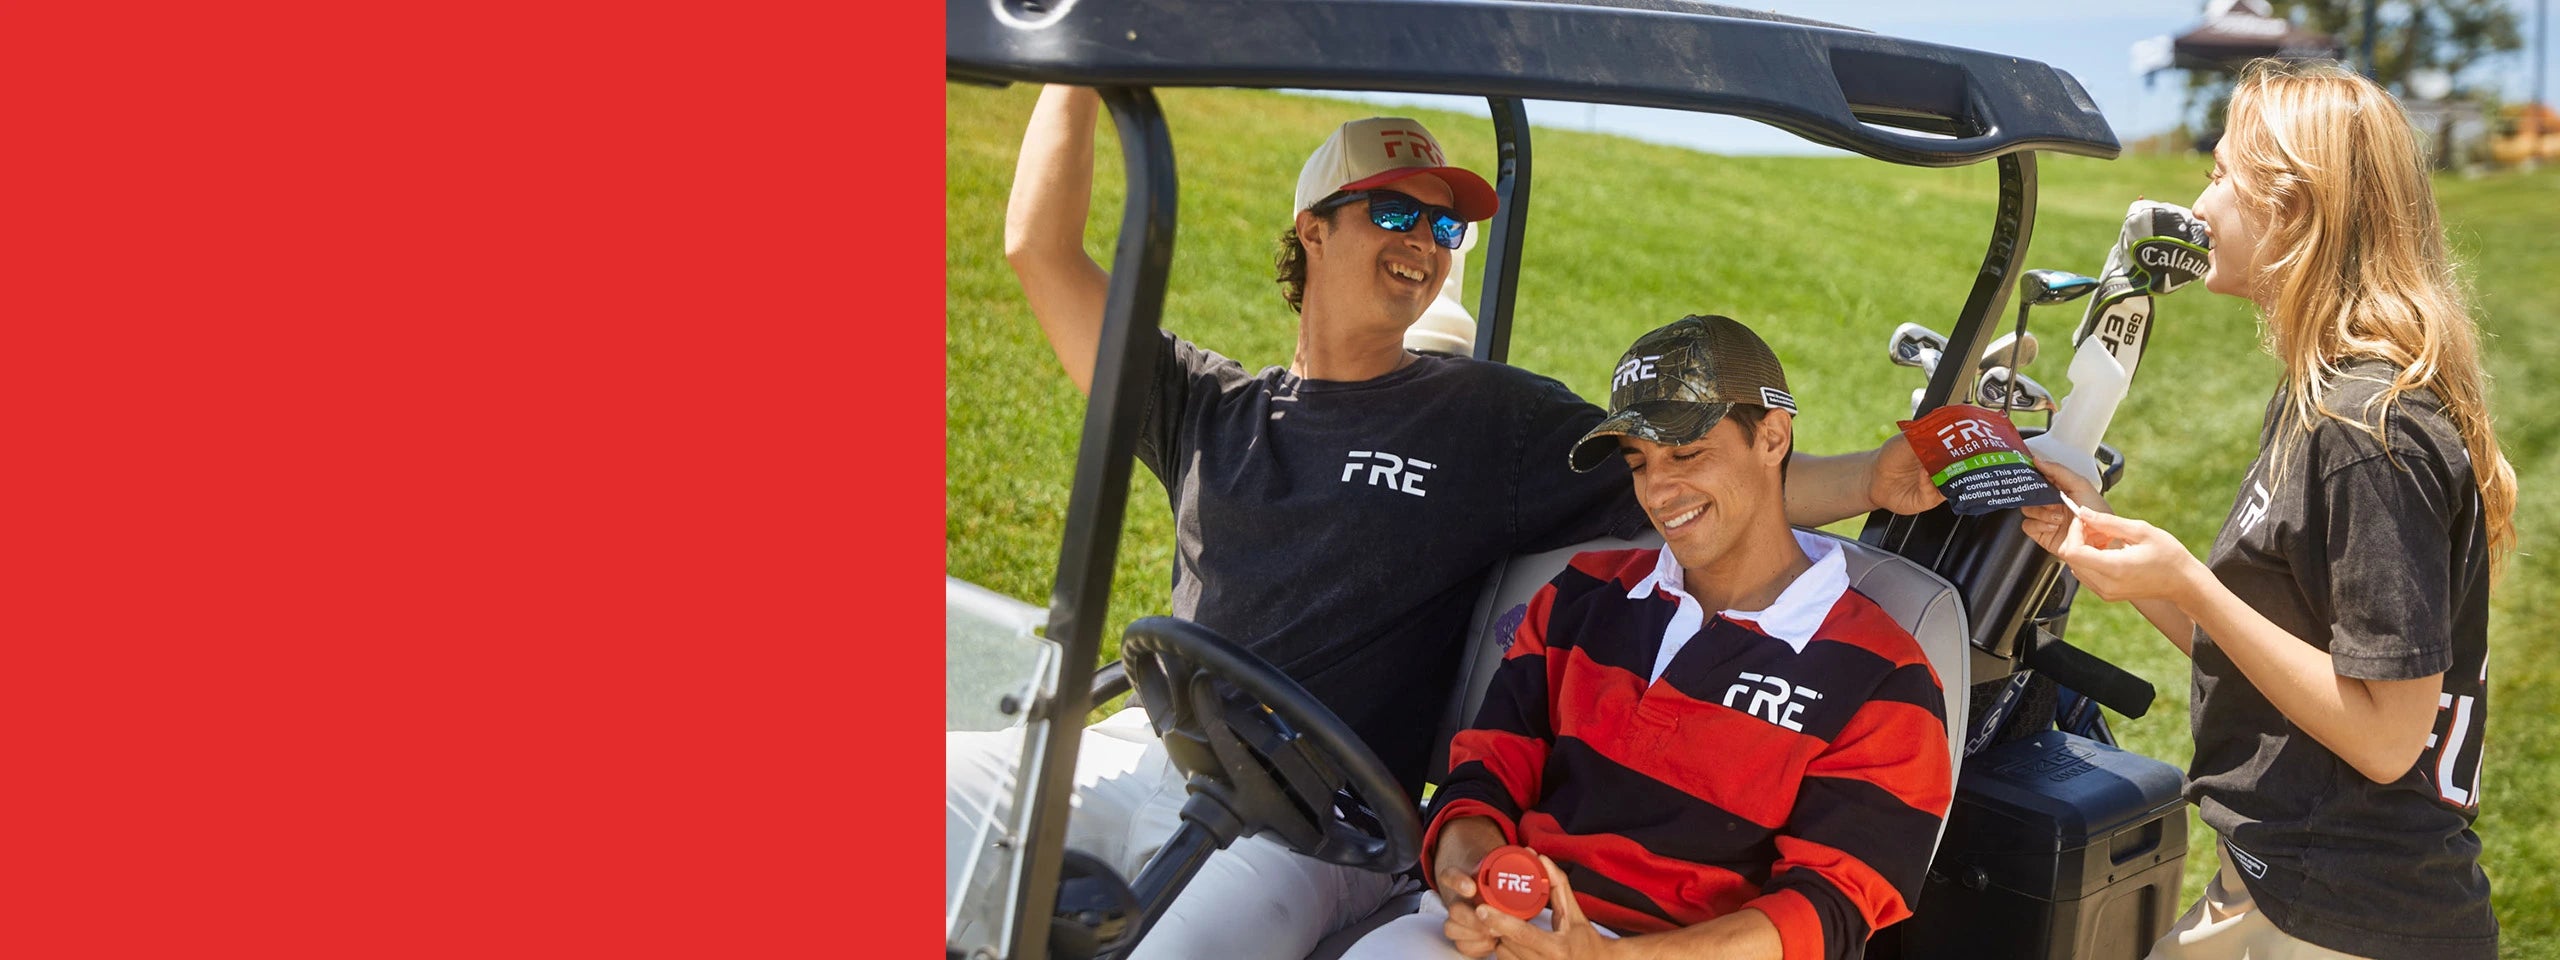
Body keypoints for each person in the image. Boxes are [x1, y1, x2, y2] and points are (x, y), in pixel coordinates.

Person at [950, 85, 1944, 960]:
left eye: (1444, 226)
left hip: (1314, 820)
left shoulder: (1486, 420)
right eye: (1393, 211)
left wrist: (1873, 476)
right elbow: (1039, 250)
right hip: (1148, 747)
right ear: (1311, 229)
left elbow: (1694, 473)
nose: (1423, 242)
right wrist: (1085, 67)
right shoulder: (1209, 407)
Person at [2018, 61, 2514, 960]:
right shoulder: (2318, 399)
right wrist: (2112, 544)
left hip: (2348, 916)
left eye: (2219, 176)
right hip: (2281, 885)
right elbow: (2274, 659)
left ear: (2292, 208)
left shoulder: (2368, 429)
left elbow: (2386, 736)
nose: (2198, 205)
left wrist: (2191, 583)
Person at [1343, 315, 1953, 960]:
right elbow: (1483, 777)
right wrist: (1472, 884)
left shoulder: (1885, 675)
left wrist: (1614, 958)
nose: (1658, 491)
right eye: (1639, 463)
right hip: (1507, 927)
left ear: (1772, 437)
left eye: (1686, 454)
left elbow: (1828, 912)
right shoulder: (1581, 595)